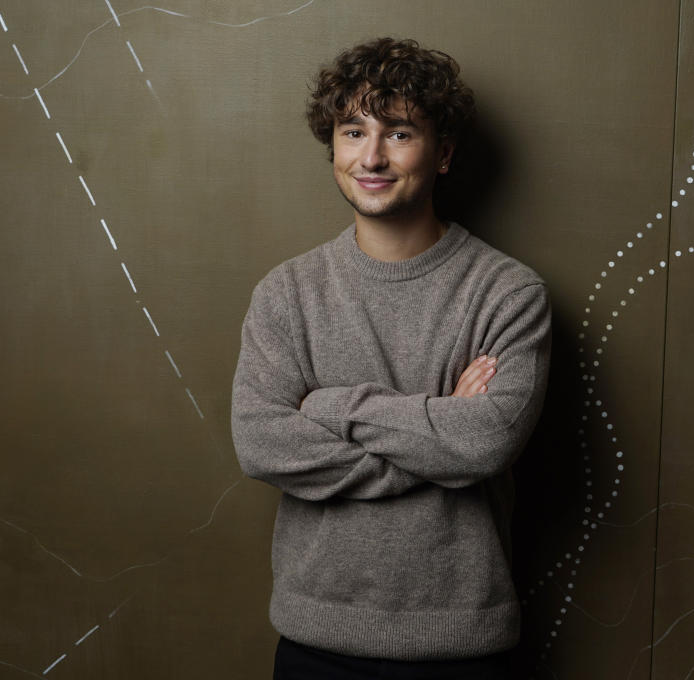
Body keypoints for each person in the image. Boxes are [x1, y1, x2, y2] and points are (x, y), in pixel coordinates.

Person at [230, 37, 551, 679]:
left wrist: (328, 407)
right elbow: (261, 441)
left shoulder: (509, 293)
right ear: (334, 147)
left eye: (399, 133)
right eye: (353, 131)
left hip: (462, 646)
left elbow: (484, 443)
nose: (371, 156)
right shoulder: (287, 293)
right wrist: (438, 428)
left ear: (444, 154)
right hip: (315, 641)